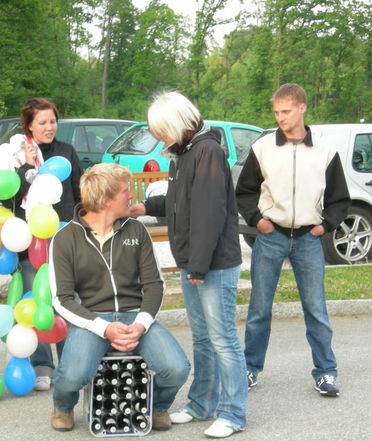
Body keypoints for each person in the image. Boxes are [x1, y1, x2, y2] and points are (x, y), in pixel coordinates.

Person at [130, 91, 247, 438]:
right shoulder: (182, 154)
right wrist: (147, 209)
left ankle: (233, 412)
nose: (159, 138)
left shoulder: (207, 151)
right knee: (202, 339)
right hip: (194, 262)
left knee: (222, 338)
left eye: (161, 130)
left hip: (214, 264)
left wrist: (197, 267)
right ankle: (201, 403)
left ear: (178, 123)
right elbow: (181, 200)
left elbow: (209, 214)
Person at [49, 163, 190, 432]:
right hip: (92, 320)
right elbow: (62, 299)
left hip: (135, 315)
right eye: (125, 191)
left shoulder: (136, 231)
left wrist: (140, 324)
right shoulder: (65, 238)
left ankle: (157, 406)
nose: (130, 197)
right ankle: (63, 406)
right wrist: (105, 328)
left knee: (177, 368)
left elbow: (155, 285)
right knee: (73, 375)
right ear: (105, 199)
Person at [235, 83, 351, 397]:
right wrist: (257, 220)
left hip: (308, 239)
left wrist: (324, 227)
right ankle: (250, 368)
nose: (280, 117)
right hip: (271, 236)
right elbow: (244, 192)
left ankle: (325, 372)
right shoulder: (263, 148)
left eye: (285, 111)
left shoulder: (325, 150)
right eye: (276, 112)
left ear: (302, 108)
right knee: (259, 308)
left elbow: (340, 199)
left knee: (316, 309)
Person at [0, 97, 82, 391]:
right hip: (29, 241)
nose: (49, 127)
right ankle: (42, 365)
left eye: (52, 121)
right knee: (34, 300)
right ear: (29, 125)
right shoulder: (15, 156)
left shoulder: (66, 152)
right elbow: (9, 199)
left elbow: (77, 193)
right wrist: (27, 168)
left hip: (63, 236)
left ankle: (71, 364)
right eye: (42, 122)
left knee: (65, 301)